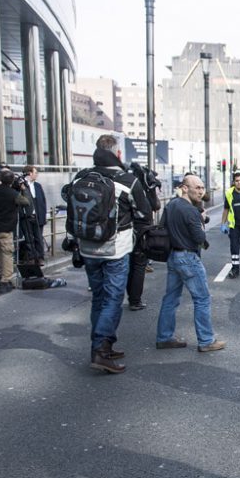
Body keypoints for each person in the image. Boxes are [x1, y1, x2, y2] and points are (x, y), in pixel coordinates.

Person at [76, 134, 153, 374]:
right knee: (112, 299)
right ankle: (102, 348)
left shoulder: (82, 176)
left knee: (98, 298)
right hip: (115, 248)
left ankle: (99, 347)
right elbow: (145, 213)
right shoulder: (127, 180)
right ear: (118, 154)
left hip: (87, 247)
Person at [154, 175, 226, 352]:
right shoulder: (191, 211)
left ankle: (164, 337)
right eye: (197, 187)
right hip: (188, 258)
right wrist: (201, 219)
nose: (201, 191)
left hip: (173, 256)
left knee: (170, 298)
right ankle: (206, 340)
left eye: (202, 187)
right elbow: (200, 238)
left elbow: (163, 227)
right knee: (202, 299)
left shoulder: (171, 205)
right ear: (185, 188)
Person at [0, 170, 29, 294]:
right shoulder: (13, 194)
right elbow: (26, 202)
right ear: (12, 181)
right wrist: (23, 189)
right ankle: (5, 279)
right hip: (5, 228)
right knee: (7, 253)